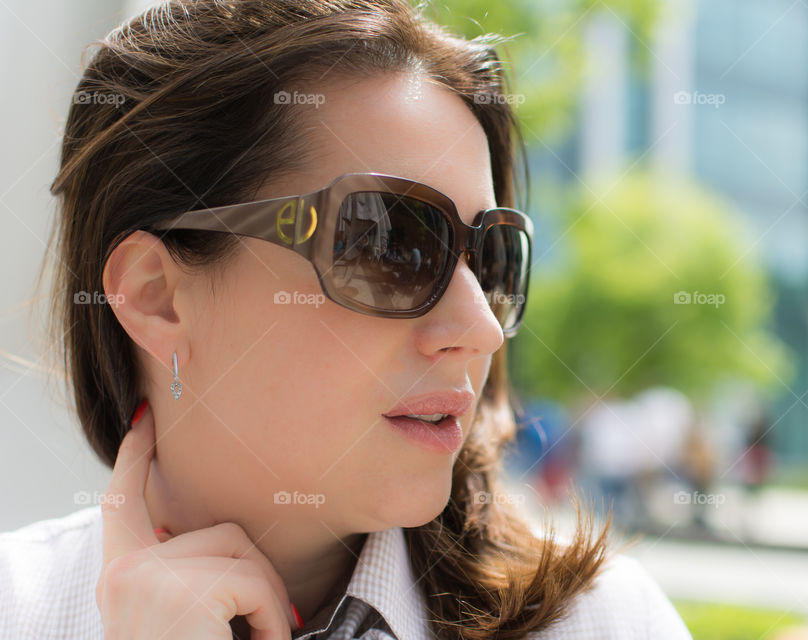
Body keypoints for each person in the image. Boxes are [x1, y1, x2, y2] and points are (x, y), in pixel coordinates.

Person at [0, 1, 693, 638]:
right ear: (156, 295)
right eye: (391, 244)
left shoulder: (600, 622)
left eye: (491, 259)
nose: (479, 327)